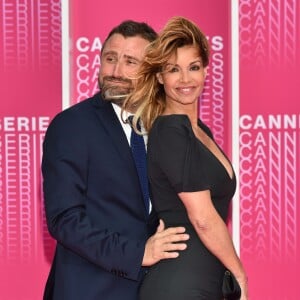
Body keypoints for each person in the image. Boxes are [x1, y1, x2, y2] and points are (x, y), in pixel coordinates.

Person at [41, 20, 189, 300]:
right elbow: (65, 219)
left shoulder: (165, 128)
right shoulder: (72, 125)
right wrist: (138, 253)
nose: (116, 71)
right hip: (90, 290)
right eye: (110, 59)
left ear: (154, 72)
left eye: (130, 62)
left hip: (156, 290)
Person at [123, 16, 249, 300]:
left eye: (193, 67)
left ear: (206, 70)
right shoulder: (171, 131)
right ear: (159, 77)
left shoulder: (197, 130)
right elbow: (203, 218)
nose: (185, 80)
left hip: (203, 279)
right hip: (180, 284)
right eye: (173, 70)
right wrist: (240, 273)